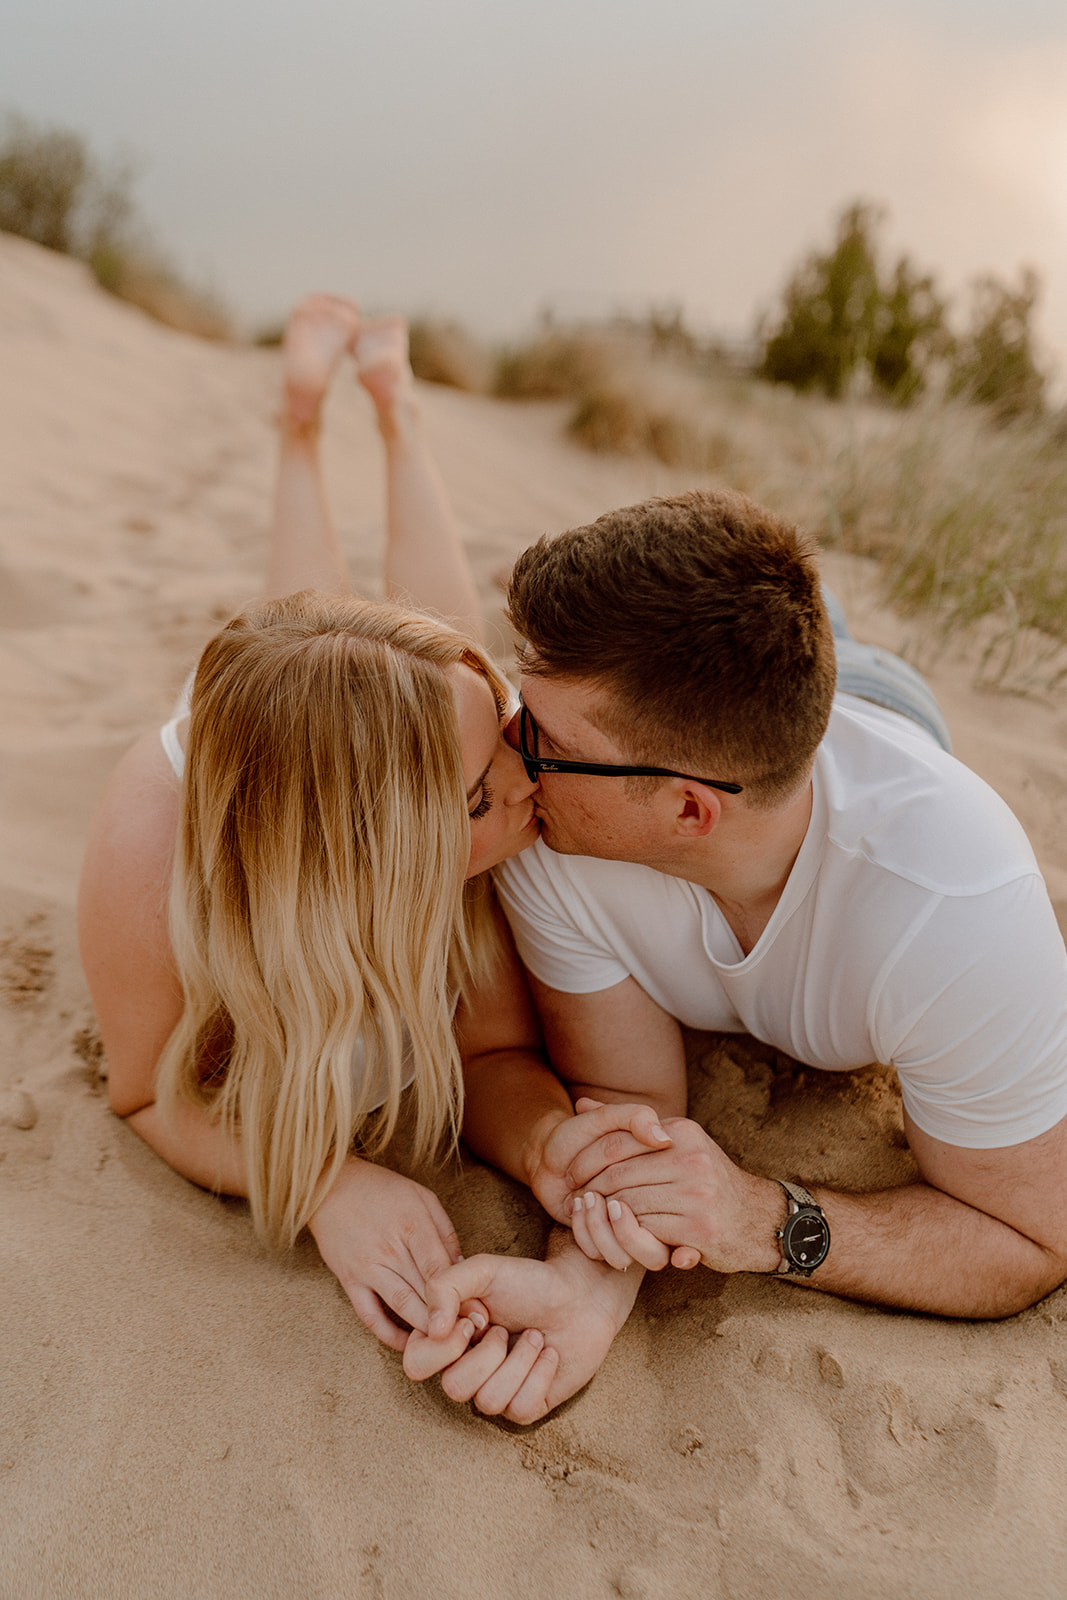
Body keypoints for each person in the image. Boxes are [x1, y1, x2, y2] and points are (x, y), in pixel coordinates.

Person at [77, 295, 661, 1424]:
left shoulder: (465, 797)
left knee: (372, 631)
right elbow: (146, 1089)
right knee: (323, 655)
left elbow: (489, 1041)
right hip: (289, 784)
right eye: (487, 793)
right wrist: (322, 1184)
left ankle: (391, 414)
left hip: (339, 746)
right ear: (377, 862)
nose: (529, 782)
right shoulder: (148, 847)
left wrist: (543, 1141)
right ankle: (301, 420)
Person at [412, 487, 1067, 1373]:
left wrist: (765, 1219)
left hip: (881, 720)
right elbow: (629, 1101)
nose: (509, 749)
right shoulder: (550, 823)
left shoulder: (954, 911)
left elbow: (1028, 1239)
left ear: (685, 809)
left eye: (542, 735)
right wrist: (586, 1292)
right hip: (745, 750)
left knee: (851, 671)